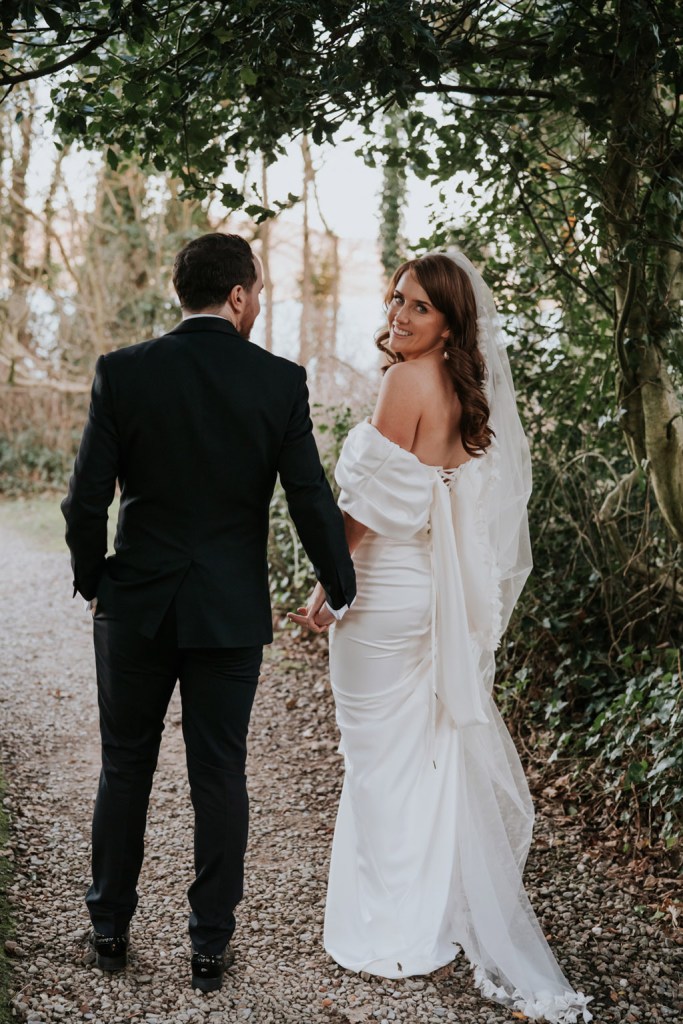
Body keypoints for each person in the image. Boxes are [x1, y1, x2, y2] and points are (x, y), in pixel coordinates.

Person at [289, 252, 592, 1022]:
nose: (398, 313)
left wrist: (328, 584)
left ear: (450, 321)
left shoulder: (401, 382)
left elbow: (367, 507)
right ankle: (420, 919)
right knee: (415, 754)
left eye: (418, 306)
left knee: (373, 756)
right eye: (395, 299)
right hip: (426, 592)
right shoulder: (460, 389)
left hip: (385, 586)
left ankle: (386, 930)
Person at [61, 232, 356, 993]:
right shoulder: (278, 382)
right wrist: (339, 582)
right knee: (219, 772)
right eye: (254, 294)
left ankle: (108, 928)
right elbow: (309, 499)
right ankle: (209, 943)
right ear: (237, 296)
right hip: (227, 611)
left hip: (136, 607)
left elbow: (85, 497)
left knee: (125, 763)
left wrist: (96, 579)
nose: (255, 306)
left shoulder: (123, 372)